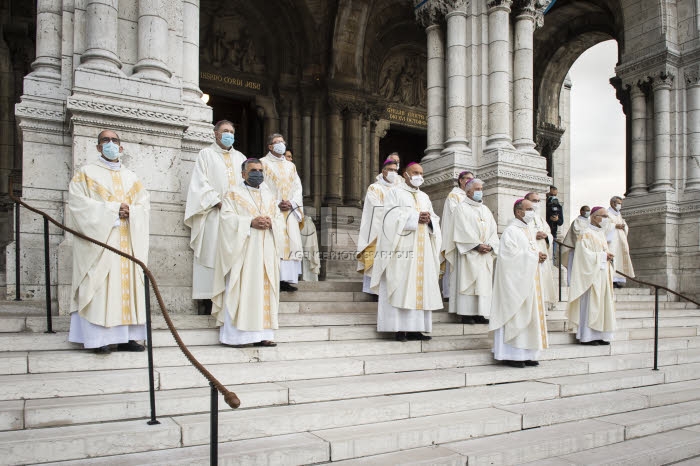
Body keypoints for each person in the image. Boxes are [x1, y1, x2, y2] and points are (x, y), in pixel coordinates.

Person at [67, 130, 150, 354]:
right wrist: (113, 210)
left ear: (121, 148)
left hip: (127, 240)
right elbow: (77, 204)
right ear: (97, 147)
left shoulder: (132, 177)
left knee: (128, 287)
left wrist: (131, 210)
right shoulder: (86, 174)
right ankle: (98, 339)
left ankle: (127, 338)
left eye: (115, 141)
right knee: (101, 287)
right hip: (101, 243)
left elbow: (144, 206)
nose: (111, 144)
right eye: (105, 140)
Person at [211, 159, 282, 347]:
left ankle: (263, 335)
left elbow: (278, 219)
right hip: (244, 252)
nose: (257, 174)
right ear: (243, 174)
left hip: (266, 251)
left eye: (260, 170)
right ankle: (238, 338)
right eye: (253, 171)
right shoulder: (233, 194)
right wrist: (249, 222)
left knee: (265, 292)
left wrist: (271, 223)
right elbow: (226, 219)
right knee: (244, 290)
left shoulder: (270, 195)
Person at [370, 162, 442, 342]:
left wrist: (430, 221)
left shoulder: (425, 196)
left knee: (419, 287)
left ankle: (416, 329)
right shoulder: (395, 193)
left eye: (421, 173)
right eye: (415, 172)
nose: (419, 175)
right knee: (402, 285)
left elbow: (434, 218)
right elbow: (389, 218)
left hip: (422, 248)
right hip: (401, 248)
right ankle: (399, 329)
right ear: (406, 174)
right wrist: (414, 218)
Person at [185, 120, 246, 314]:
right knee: (210, 254)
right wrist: (217, 201)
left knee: (233, 255)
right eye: (225, 131)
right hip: (213, 215)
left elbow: (246, 187)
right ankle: (207, 301)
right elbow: (199, 183)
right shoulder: (206, 155)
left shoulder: (240, 158)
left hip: (235, 218)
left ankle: (230, 299)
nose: (229, 134)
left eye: (232, 131)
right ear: (216, 134)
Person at [489, 199, 549, 368]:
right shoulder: (511, 231)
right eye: (529, 209)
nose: (533, 212)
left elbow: (530, 252)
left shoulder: (529, 230)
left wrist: (540, 257)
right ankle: (511, 355)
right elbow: (508, 257)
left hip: (530, 281)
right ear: (518, 212)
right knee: (517, 316)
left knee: (531, 318)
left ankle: (529, 354)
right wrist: (533, 257)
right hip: (515, 285)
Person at [444, 178, 499, 324]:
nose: (480, 192)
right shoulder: (461, 208)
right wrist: (476, 245)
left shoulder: (485, 209)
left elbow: (493, 230)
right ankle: (466, 314)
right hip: (469, 253)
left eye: (481, 189)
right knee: (467, 282)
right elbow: (461, 230)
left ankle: (480, 313)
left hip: (484, 254)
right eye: (477, 189)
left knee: (482, 284)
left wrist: (491, 245)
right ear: (468, 191)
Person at [261, 133, 304, 292]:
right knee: (275, 243)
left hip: (290, 211)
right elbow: (261, 186)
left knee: (290, 244)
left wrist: (292, 202)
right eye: (276, 142)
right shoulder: (263, 163)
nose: (281, 144)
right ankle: (273, 278)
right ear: (270, 146)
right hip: (273, 211)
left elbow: (297, 187)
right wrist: (277, 203)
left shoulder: (290, 166)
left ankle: (286, 280)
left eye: (282, 142)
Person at [567, 206, 616, 346]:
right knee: (592, 305)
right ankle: (588, 336)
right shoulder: (586, 233)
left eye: (607, 216)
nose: (606, 219)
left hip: (603, 275)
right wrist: (602, 256)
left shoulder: (601, 234)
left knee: (603, 306)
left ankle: (602, 335)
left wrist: (609, 257)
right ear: (594, 217)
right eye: (604, 216)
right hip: (591, 276)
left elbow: (604, 252)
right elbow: (582, 256)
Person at [357, 158, 399, 294]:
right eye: (391, 170)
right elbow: (374, 208)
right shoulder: (374, 188)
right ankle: (374, 292)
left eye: (395, 170)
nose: (393, 173)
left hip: (396, 230)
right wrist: (394, 214)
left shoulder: (399, 189)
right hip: (378, 231)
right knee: (376, 259)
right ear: (383, 171)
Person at [441, 171, 474, 298]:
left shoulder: (472, 196)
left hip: (469, 237)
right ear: (460, 180)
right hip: (456, 236)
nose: (470, 181)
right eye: (467, 179)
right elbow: (456, 214)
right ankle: (448, 294)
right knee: (452, 264)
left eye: (472, 179)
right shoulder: (454, 196)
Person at [524, 192, 556, 307]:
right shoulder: (523, 217)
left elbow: (549, 233)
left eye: (538, 201)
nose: (536, 203)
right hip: (531, 255)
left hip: (542, 253)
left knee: (542, 280)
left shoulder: (540, 218)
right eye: (534, 200)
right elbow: (521, 234)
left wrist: (546, 236)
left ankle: (541, 306)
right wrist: (534, 235)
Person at [607, 196, 635, 288]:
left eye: (620, 204)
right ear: (612, 203)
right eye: (618, 203)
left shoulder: (619, 214)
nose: (620, 205)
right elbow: (605, 226)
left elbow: (624, 224)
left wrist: (624, 226)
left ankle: (618, 281)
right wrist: (615, 226)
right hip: (612, 241)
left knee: (620, 259)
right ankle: (611, 279)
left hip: (621, 241)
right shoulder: (607, 213)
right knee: (613, 258)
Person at [562, 205, 591, 284]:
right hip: (575, 248)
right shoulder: (577, 221)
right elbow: (576, 232)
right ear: (581, 211)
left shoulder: (590, 222)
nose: (588, 212)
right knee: (574, 266)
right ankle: (571, 283)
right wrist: (587, 236)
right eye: (586, 210)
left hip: (587, 249)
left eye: (589, 210)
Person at [546, 186, 564, 262]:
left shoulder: (558, 206)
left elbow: (561, 222)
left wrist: (556, 219)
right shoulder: (545, 203)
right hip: (544, 233)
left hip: (553, 234)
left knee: (551, 257)